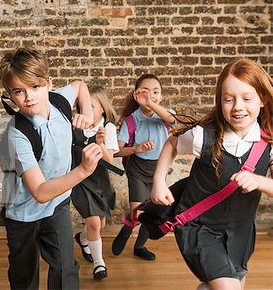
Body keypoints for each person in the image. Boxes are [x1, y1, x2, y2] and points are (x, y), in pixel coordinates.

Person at [151, 58, 273, 290]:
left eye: (247, 98)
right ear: (220, 102)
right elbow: (172, 144)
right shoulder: (202, 136)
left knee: (227, 285)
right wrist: (158, 181)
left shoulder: (268, 143)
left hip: (241, 232)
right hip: (199, 227)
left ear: (263, 100)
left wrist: (259, 181)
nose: (237, 106)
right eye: (228, 99)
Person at [0, 47, 102, 290]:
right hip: (23, 214)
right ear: (11, 96)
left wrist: (86, 113)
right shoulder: (17, 135)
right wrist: (83, 171)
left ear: (48, 83)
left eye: (35, 87)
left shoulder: (59, 100)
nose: (29, 97)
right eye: (19, 91)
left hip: (57, 205)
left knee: (66, 270)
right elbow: (41, 192)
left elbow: (79, 85)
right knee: (24, 279)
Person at [112, 74, 176, 260]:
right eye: (145, 92)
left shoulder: (165, 114)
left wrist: (151, 104)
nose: (151, 96)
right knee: (139, 213)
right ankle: (126, 230)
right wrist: (136, 148)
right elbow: (116, 151)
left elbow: (172, 121)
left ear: (161, 96)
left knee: (153, 213)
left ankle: (139, 246)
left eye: (156, 92)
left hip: (158, 171)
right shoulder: (131, 120)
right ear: (136, 95)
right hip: (138, 171)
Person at [71, 86, 119, 280]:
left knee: (99, 223)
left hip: (100, 180)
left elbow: (109, 161)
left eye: (91, 106)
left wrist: (100, 143)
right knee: (92, 222)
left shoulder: (107, 128)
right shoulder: (74, 125)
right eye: (83, 106)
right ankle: (99, 264)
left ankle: (82, 239)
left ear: (102, 108)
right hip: (80, 179)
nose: (86, 110)